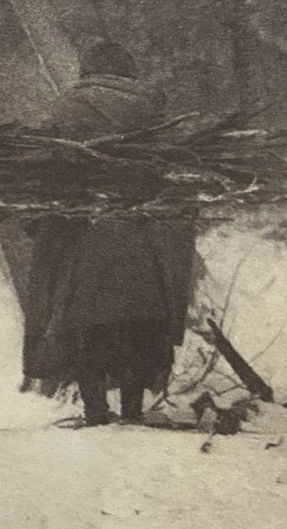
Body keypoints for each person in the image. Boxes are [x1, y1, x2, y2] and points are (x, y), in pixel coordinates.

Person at [22, 41, 197, 426]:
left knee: (85, 323)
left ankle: (96, 409)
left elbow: (47, 166)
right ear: (127, 70)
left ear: (88, 70)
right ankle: (132, 409)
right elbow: (172, 169)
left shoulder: (70, 107)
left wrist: (37, 213)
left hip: (87, 234)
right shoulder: (152, 108)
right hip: (141, 234)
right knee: (137, 322)